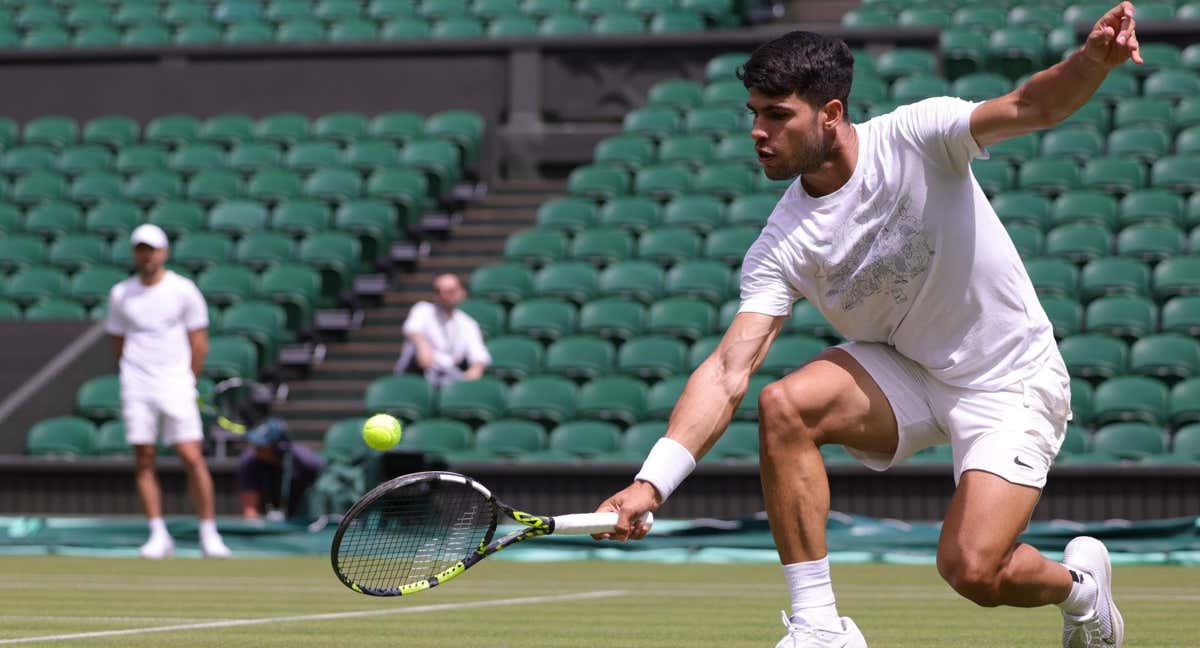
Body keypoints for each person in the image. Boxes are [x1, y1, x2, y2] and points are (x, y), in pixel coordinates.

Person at [594, 4, 1142, 647]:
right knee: (785, 407)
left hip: (1009, 378)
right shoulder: (781, 243)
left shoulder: (917, 134)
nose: (758, 132)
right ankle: (820, 627)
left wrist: (1090, 63)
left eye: (777, 114)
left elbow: (1029, 106)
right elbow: (726, 370)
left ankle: (1080, 590)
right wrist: (650, 483)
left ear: (830, 113)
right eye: (754, 115)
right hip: (909, 368)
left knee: (973, 570)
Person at [105, 223, 232, 559]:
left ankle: (209, 532)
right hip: (137, 383)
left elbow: (199, 343)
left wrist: (186, 378)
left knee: (192, 456)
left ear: (164, 253)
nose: (146, 255)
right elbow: (118, 342)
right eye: (140, 249)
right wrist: (137, 371)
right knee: (144, 458)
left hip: (176, 382)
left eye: (151, 249)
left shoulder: (183, 290)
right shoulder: (121, 294)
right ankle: (158, 534)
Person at [394, 273, 491, 387]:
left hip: (449, 380)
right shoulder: (423, 310)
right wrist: (422, 345)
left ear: (462, 293)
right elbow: (412, 329)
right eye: (438, 292)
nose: (444, 296)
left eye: (450, 292)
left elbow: (479, 355)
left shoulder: (467, 323)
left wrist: (476, 369)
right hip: (415, 377)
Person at [238, 418, 326, 521]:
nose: (256, 449)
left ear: (278, 446)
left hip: (304, 517)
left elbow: (324, 493)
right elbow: (250, 510)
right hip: (266, 520)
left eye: (262, 446)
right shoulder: (248, 462)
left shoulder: (305, 460)